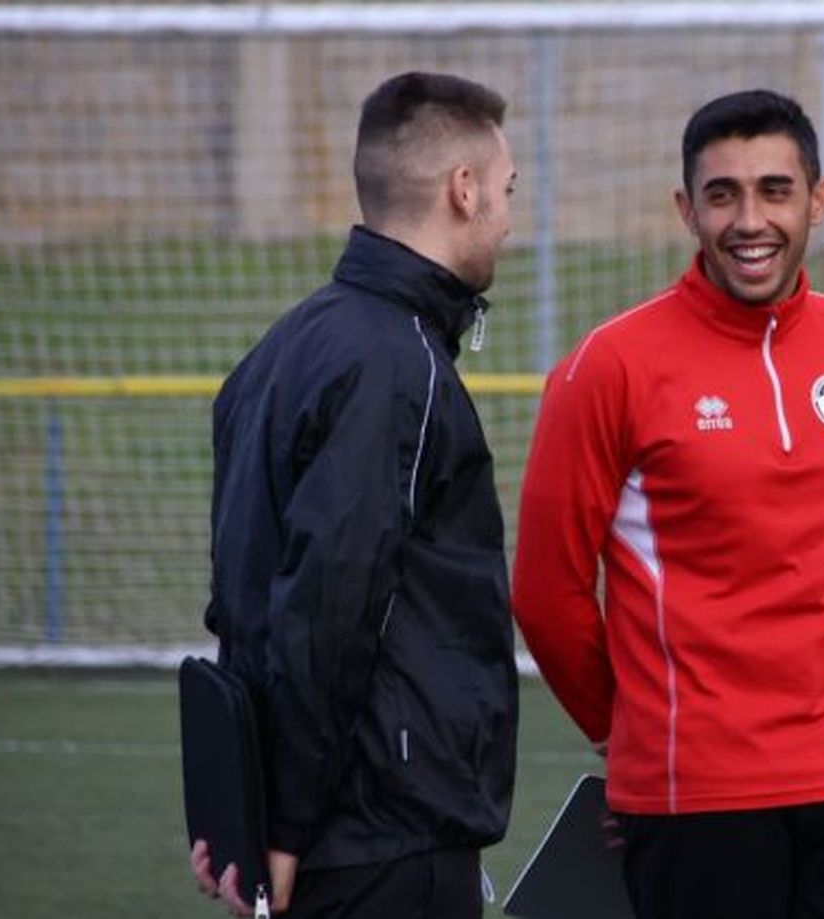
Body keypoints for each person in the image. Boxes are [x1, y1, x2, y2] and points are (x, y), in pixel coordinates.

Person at [512, 89, 824, 919]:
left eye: (775, 190)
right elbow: (547, 595)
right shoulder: (609, 367)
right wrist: (627, 735)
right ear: (687, 209)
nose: (749, 220)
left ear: (819, 201)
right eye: (722, 194)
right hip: (694, 797)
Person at [190, 71, 519, 919]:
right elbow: (329, 601)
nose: (511, 219)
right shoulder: (394, 362)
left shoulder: (289, 343)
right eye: (508, 191)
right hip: (378, 841)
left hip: (328, 830)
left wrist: (246, 808)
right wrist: (287, 825)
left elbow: (246, 600)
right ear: (464, 189)